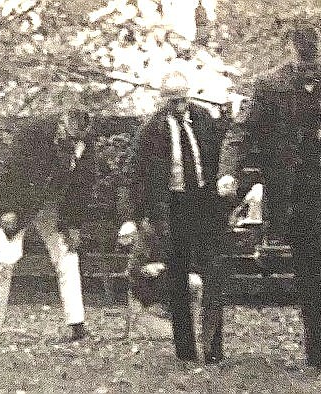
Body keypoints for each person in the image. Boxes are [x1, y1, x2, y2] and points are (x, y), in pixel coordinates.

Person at [217, 24, 321, 385]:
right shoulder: (269, 86)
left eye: (312, 52)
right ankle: (319, 350)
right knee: (309, 274)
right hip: (294, 195)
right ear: (291, 50)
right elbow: (240, 131)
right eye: (302, 53)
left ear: (320, 49)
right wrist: (228, 172)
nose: (308, 59)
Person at [118, 79, 232, 364]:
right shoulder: (151, 130)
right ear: (164, 101)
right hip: (172, 206)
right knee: (178, 278)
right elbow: (133, 175)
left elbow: (224, 151)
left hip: (205, 202)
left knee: (213, 274)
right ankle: (186, 351)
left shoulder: (204, 119)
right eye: (173, 102)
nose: (180, 107)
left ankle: (213, 348)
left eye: (183, 100)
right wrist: (130, 217)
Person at [0, 109, 94, 344]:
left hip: (55, 204)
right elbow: (10, 171)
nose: (73, 144)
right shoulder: (31, 132)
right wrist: (7, 209)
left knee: (67, 255)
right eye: (69, 138)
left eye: (77, 140)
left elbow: (83, 186)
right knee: (6, 258)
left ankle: (77, 323)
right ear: (61, 125)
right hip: (22, 203)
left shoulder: (84, 143)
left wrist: (74, 224)